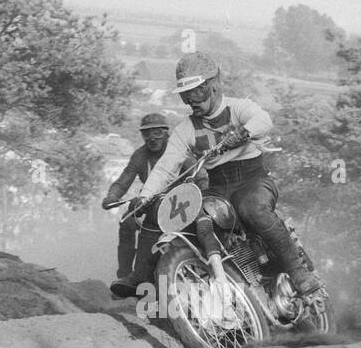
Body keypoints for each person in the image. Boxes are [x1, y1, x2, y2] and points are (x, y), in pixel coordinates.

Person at [139, 52, 321, 296]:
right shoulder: (185, 130)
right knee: (197, 219)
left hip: (253, 179)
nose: (192, 101)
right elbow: (165, 166)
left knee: (251, 208)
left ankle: (298, 271)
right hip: (218, 187)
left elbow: (263, 120)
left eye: (197, 92)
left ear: (214, 86)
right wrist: (144, 196)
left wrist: (244, 133)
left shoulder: (238, 108)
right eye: (186, 95)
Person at [104, 112, 170, 297]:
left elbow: (199, 174)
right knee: (127, 222)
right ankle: (125, 276)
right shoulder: (140, 155)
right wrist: (112, 196)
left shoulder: (178, 149)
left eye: (157, 133)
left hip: (181, 200)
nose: (152, 138)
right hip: (151, 203)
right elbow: (124, 179)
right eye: (146, 134)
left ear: (166, 133)